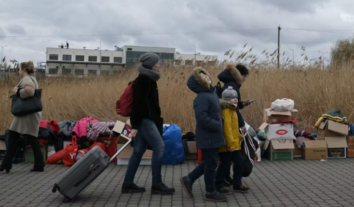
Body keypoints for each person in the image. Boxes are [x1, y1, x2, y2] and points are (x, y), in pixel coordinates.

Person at [122, 52, 175, 195]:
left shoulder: (149, 79)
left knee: (138, 151)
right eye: (157, 63)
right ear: (151, 65)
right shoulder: (145, 80)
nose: (159, 65)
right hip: (144, 120)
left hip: (146, 119)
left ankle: (128, 183)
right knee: (159, 147)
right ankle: (157, 184)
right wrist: (135, 125)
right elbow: (138, 104)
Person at [180, 67, 227, 202]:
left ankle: (188, 179)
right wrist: (217, 125)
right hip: (208, 136)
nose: (207, 77)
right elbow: (201, 117)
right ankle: (210, 191)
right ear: (199, 83)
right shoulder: (201, 98)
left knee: (210, 162)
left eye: (206, 75)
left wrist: (221, 121)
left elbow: (215, 113)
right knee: (211, 164)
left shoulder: (211, 94)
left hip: (213, 134)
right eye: (203, 77)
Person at [0, 61, 45, 173]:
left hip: (26, 114)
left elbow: (29, 92)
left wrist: (18, 91)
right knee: (30, 138)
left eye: (20, 69)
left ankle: (6, 164)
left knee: (13, 136)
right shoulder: (33, 78)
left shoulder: (26, 79)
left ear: (24, 70)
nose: (19, 72)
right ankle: (38, 165)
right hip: (31, 113)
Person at [217, 63, 252, 186]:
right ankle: (223, 181)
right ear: (239, 75)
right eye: (244, 76)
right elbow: (233, 109)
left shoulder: (229, 83)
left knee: (229, 160)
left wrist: (242, 103)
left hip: (232, 134)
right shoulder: (233, 86)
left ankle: (228, 180)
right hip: (231, 135)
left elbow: (233, 106)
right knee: (229, 160)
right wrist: (241, 123)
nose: (245, 79)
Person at [215, 86, 250, 194]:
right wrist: (230, 144)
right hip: (227, 145)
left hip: (235, 143)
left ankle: (237, 184)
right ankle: (218, 185)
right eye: (232, 98)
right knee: (224, 165)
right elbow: (227, 129)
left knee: (239, 162)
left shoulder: (233, 110)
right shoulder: (226, 111)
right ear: (226, 99)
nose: (235, 99)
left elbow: (234, 128)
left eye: (236, 97)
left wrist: (239, 135)